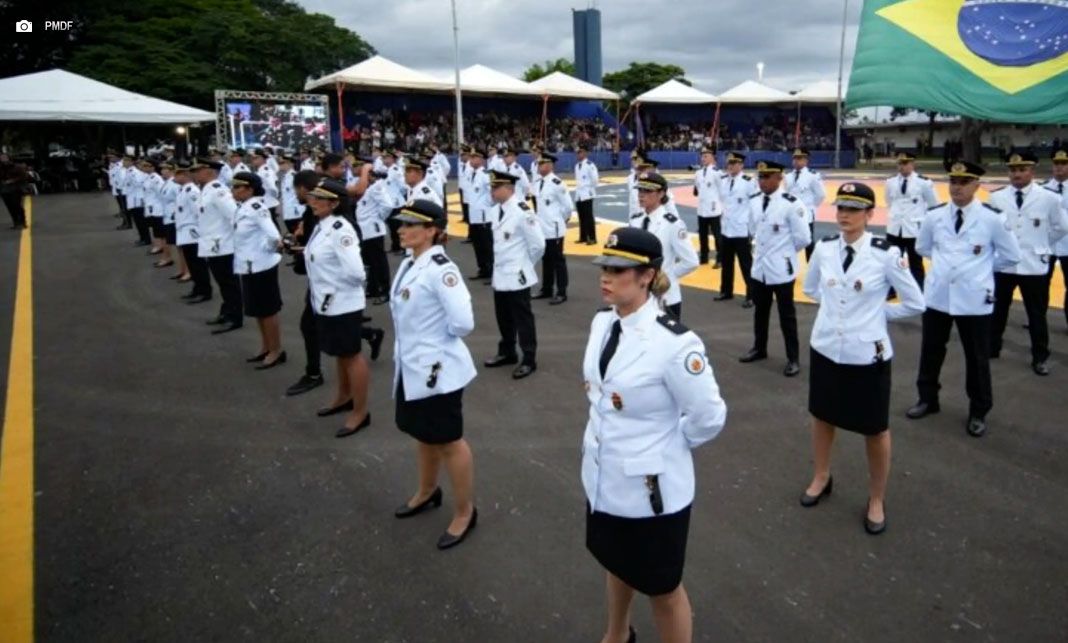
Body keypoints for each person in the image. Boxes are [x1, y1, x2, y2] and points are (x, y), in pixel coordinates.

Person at [583, 226, 727, 643]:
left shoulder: (675, 344)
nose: (605, 277)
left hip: (652, 493)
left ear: (647, 276)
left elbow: (709, 415)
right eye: (603, 267)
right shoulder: (601, 323)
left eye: (618, 269)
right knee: (617, 563)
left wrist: (667, 445)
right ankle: (616, 634)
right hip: (604, 477)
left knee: (663, 589)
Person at [800, 182, 925, 536]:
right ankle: (821, 476)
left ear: (871, 215)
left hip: (866, 354)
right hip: (826, 347)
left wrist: (876, 315)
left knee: (874, 428)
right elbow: (811, 289)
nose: (844, 215)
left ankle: (876, 498)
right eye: (841, 207)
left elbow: (915, 302)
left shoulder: (886, 254)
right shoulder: (823, 249)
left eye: (853, 209)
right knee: (822, 416)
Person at [906, 160, 1021, 438]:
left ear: (976, 186)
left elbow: (1011, 255)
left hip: (974, 298)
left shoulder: (992, 218)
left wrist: (979, 270)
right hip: (938, 296)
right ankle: (927, 399)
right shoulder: (935, 215)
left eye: (963, 182)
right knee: (931, 351)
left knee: (977, 357)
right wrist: (948, 268)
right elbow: (922, 246)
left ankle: (979, 410)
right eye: (953, 182)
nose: (956, 187)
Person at [389, 200, 480, 550]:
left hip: (436, 372)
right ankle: (427, 491)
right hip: (412, 367)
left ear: (431, 230)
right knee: (422, 434)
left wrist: (433, 344)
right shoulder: (411, 262)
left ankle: (464, 511)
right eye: (401, 223)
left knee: (448, 440)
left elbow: (463, 323)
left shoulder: (441, 268)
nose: (401, 228)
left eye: (410, 224)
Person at [302, 178, 372, 437]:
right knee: (340, 354)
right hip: (325, 301)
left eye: (319, 199)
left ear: (334, 203)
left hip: (342, 302)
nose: (313, 203)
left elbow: (356, 272)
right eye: (313, 198)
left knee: (352, 355)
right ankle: (343, 397)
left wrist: (335, 287)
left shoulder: (341, 228)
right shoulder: (324, 225)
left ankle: (360, 411)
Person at [987, 150, 1068, 376]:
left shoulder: (1050, 198)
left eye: (1022, 169)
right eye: (1013, 170)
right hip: (1004, 264)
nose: (1017, 174)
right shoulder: (997, 197)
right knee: (997, 310)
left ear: (1032, 171)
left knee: (1036, 314)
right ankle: (992, 347)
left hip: (1034, 264)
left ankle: (1040, 357)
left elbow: (1061, 227)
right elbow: (991, 229)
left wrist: (1042, 244)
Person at [739, 160, 811, 377]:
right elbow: (753, 229)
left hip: (781, 269)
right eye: (760, 177)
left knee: (786, 315)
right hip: (760, 267)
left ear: (779, 178)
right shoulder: (753, 201)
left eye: (766, 177)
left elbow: (803, 239)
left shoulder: (792, 203)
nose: (762, 181)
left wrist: (784, 254)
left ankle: (793, 358)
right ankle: (759, 348)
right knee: (760, 312)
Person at [484, 170, 545, 379]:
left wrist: (525, 265)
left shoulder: (522, 211)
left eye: (495, 187)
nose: (492, 191)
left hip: (517, 274)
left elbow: (538, 244)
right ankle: (507, 351)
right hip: (500, 273)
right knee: (503, 317)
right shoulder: (496, 211)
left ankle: (529, 358)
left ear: (508, 188)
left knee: (523, 319)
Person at [231, 172, 286, 369]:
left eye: (238, 187)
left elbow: (273, 235)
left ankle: (276, 350)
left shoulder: (256, 207)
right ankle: (265, 346)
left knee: (268, 310)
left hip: (262, 265)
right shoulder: (243, 207)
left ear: (250, 189)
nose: (233, 190)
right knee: (257, 310)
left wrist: (267, 252)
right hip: (248, 266)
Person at [628, 172, 699, 320]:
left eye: (647, 191)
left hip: (665, 298)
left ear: (661, 194)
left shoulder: (672, 224)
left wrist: (666, 276)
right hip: (638, 296)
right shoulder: (636, 221)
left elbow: (691, 261)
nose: (641, 195)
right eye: (640, 190)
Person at [285, 170, 327, 397]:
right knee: (325, 324)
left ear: (303, 188)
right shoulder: (311, 213)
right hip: (318, 277)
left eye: (296, 189)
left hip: (326, 279)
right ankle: (369, 333)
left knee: (312, 325)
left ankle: (313, 374)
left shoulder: (322, 214)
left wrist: (305, 251)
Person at [192, 157, 243, 335]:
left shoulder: (217, 191)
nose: (195, 173)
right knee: (223, 282)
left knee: (229, 283)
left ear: (210, 172)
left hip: (222, 244)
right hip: (212, 244)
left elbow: (234, 215)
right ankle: (226, 311)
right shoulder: (206, 190)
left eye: (198, 170)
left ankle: (235, 317)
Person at [885, 152, 939, 289]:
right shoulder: (890, 182)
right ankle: (891, 289)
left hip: (914, 228)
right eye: (899, 163)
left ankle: (919, 288)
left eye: (905, 163)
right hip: (895, 227)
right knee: (891, 260)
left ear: (912, 164)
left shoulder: (924, 182)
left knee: (915, 261)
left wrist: (924, 222)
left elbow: (933, 205)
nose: (901, 166)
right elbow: (889, 202)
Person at [532, 152, 574, 305]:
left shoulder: (557, 183)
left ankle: (562, 291)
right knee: (546, 259)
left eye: (541, 164)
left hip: (554, 228)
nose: (538, 166)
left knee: (558, 261)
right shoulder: (537, 183)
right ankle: (547, 288)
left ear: (549, 166)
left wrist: (559, 221)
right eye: (538, 163)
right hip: (542, 228)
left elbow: (568, 207)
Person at [714, 152, 755, 308]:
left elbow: (754, 206)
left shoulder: (749, 182)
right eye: (729, 163)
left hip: (742, 230)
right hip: (726, 229)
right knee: (727, 263)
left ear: (741, 165)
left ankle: (752, 295)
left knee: (746, 265)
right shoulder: (723, 180)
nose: (730, 166)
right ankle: (726, 291)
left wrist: (751, 230)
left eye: (734, 163)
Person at [357, 167, 402, 305]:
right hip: (366, 230)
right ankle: (373, 288)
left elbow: (387, 206)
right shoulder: (371, 188)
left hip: (373, 229)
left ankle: (385, 290)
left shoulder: (376, 187)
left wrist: (378, 218)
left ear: (371, 176)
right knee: (369, 261)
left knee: (379, 262)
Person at [174, 162, 211, 304]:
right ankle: (197, 287)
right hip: (185, 232)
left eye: (178, 174)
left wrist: (199, 231)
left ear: (185, 175)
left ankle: (204, 291)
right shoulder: (184, 190)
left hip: (192, 232)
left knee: (198, 263)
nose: (175, 177)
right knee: (192, 263)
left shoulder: (192, 191)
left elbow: (198, 212)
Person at [782, 147, 826, 261]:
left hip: (806, 215)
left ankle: (812, 267)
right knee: (789, 241)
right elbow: (786, 194)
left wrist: (810, 207)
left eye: (799, 158)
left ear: (806, 160)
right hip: (791, 215)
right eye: (795, 158)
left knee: (809, 242)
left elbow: (820, 195)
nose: (796, 161)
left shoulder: (813, 176)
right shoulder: (788, 176)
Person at [1045, 146, 1068, 332]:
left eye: (1064, 163)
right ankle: (1038, 319)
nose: (1059, 167)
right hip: (1047, 245)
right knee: (1040, 285)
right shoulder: (1042, 189)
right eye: (1056, 164)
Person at [693, 146, 724, 267]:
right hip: (701, 209)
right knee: (702, 236)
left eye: (706, 156)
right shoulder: (698, 173)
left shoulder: (717, 173)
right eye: (702, 156)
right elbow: (696, 190)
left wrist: (723, 207)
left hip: (714, 209)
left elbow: (723, 191)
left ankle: (720, 259)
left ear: (712, 157)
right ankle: (704, 257)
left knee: (717, 236)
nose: (703, 158)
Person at [466, 149, 494, 280]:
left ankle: (492, 271)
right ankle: (482, 269)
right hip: (474, 215)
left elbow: (492, 193)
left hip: (484, 216)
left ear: (482, 159)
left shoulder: (485, 174)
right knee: (477, 245)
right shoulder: (472, 173)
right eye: (471, 157)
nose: (471, 159)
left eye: (474, 157)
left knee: (487, 246)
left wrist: (486, 205)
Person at [159, 162, 182, 278]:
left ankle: (185, 271)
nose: (162, 171)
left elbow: (180, 200)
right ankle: (180, 270)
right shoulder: (167, 183)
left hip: (174, 217)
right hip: (168, 216)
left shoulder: (174, 184)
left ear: (172, 170)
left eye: (165, 169)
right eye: (162, 169)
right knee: (174, 245)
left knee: (179, 246)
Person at [574, 144, 600, 245]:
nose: (578, 154)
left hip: (587, 193)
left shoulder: (590, 165)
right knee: (581, 216)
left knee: (589, 217)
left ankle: (593, 238)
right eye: (577, 153)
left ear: (585, 153)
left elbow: (595, 180)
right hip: (579, 194)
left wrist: (589, 188)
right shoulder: (577, 166)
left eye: (580, 152)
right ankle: (583, 237)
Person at [123, 155, 151, 246]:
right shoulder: (129, 171)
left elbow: (139, 183)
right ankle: (142, 238)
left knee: (141, 221)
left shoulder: (134, 172)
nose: (124, 162)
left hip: (137, 200)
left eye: (126, 161)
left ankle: (146, 239)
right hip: (132, 199)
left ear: (131, 162)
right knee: (138, 221)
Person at [0, 152, 30, 229]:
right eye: (1, 157)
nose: (3, 159)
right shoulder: (1, 168)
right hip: (5, 190)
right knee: (10, 207)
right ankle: (16, 222)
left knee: (16, 205)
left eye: (4, 157)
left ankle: (23, 221)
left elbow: (24, 176)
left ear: (9, 158)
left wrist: (13, 180)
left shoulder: (17, 167)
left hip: (16, 188)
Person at [279, 155, 302, 234]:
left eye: (282, 163)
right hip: (288, 213)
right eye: (279, 163)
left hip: (296, 213)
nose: (280, 165)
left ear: (290, 164)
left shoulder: (294, 177)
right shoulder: (285, 177)